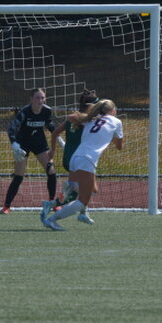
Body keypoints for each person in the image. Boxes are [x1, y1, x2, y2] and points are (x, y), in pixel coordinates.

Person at [41, 99, 123, 231]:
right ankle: (51, 220)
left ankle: (54, 203)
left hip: (75, 158)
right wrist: (111, 136)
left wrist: (87, 118)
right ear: (113, 111)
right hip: (87, 160)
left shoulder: (91, 120)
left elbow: (71, 117)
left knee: (84, 191)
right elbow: (119, 146)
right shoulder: (116, 122)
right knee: (83, 200)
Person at [43, 89, 99, 225]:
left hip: (69, 157)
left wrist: (53, 151)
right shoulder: (87, 121)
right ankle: (51, 204)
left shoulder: (72, 117)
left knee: (82, 189)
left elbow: (55, 133)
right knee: (88, 190)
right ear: (91, 106)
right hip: (79, 159)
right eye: (97, 105)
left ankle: (83, 213)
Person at [0, 88, 58, 214]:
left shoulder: (47, 110)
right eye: (37, 98)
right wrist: (14, 144)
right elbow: (11, 129)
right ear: (31, 99)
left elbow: (50, 125)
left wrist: (60, 139)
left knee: (51, 171)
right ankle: (6, 206)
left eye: (42, 98)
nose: (40, 100)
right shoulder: (24, 112)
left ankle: (52, 202)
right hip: (23, 144)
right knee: (18, 176)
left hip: (39, 143)